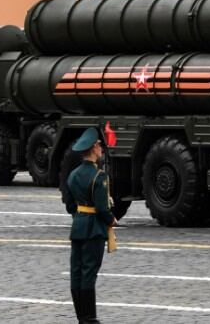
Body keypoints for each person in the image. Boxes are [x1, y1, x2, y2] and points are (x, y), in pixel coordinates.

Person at [62, 128, 116, 323]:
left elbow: (69, 206)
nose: (101, 148)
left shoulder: (73, 175)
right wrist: (112, 219)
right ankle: (90, 319)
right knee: (89, 273)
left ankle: (82, 317)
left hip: (77, 227)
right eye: (99, 145)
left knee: (76, 271)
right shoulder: (99, 176)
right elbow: (102, 209)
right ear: (93, 148)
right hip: (94, 229)